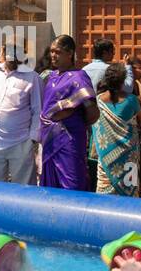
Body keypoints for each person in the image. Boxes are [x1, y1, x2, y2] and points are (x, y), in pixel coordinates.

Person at [0, 46, 43, 184]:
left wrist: (32, 140)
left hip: (20, 142)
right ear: (3, 53)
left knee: (23, 189)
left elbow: (38, 110)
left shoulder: (32, 77)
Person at [40, 35, 100, 190]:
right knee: (50, 183)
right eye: (52, 51)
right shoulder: (50, 76)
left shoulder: (79, 77)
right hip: (49, 140)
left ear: (70, 53)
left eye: (57, 52)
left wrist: (73, 119)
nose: (53, 55)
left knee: (72, 181)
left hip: (69, 139)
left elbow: (92, 111)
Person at [81, 39, 134, 186]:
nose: (113, 55)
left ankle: (93, 185)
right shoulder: (108, 71)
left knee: (92, 151)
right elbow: (128, 88)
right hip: (106, 120)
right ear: (105, 53)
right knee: (106, 153)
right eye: (112, 52)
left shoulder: (84, 70)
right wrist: (128, 66)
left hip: (88, 117)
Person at [92, 63, 141, 196]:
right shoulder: (132, 100)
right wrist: (140, 87)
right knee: (129, 191)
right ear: (124, 81)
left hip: (106, 156)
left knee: (105, 189)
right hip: (129, 156)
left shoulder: (98, 100)